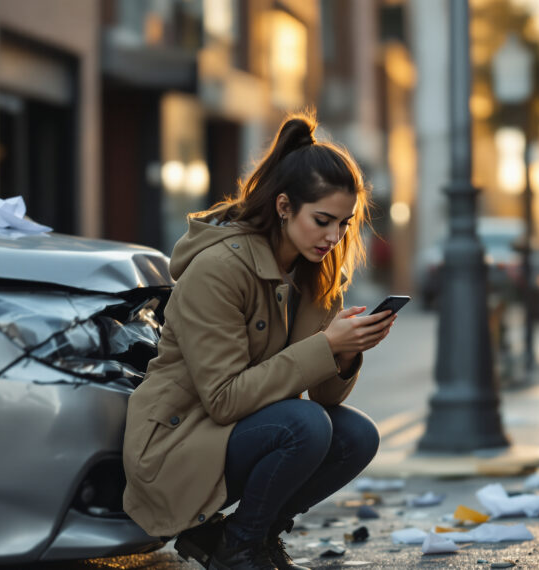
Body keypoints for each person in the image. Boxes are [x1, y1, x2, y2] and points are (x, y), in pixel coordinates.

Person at [121, 113, 395, 570]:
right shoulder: (219, 270)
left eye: (344, 224)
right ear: (284, 206)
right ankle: (240, 551)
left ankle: (248, 539)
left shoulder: (317, 273)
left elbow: (325, 397)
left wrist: (345, 354)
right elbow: (224, 399)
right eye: (322, 220)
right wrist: (325, 347)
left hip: (231, 435)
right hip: (176, 443)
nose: (334, 237)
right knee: (306, 426)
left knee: (357, 435)